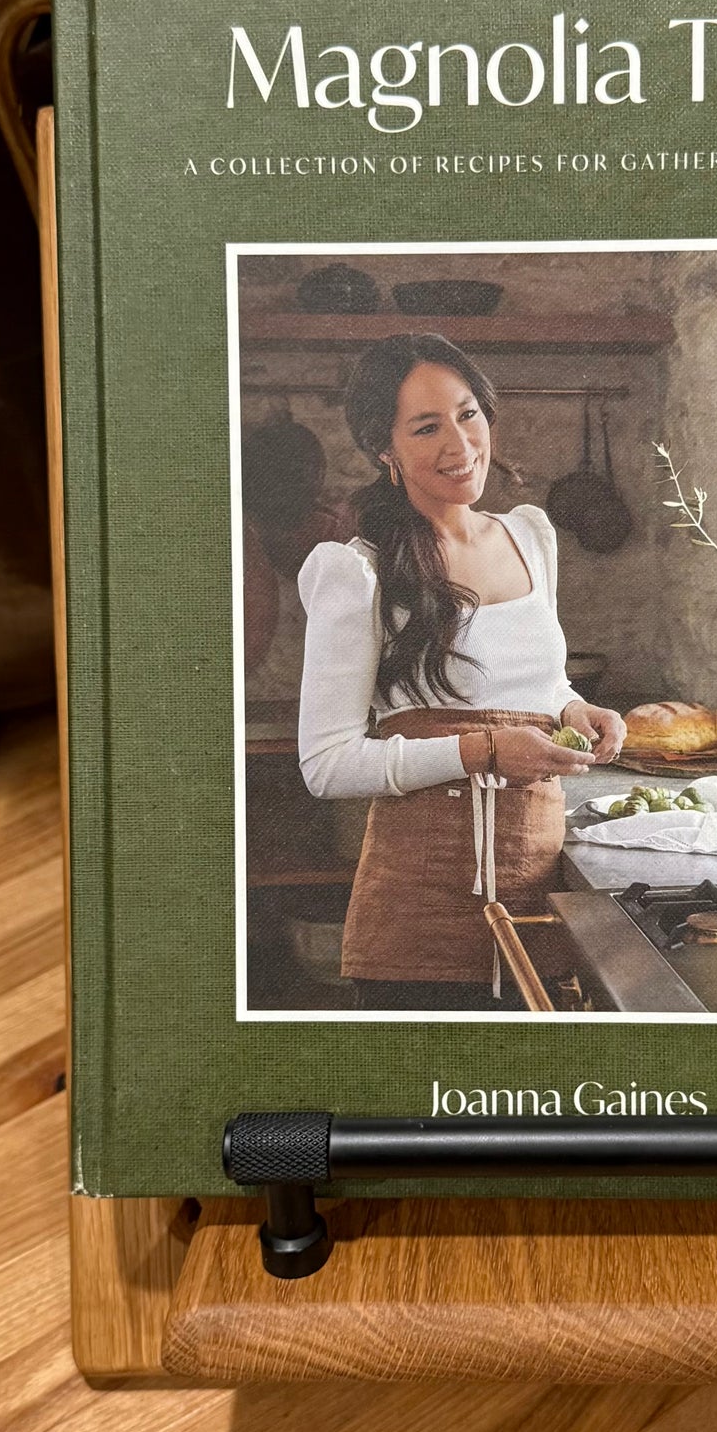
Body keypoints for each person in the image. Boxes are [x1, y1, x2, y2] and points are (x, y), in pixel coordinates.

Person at [295, 332, 625, 1008]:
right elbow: (325, 765)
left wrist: (573, 708)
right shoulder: (358, 570)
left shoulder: (530, 535)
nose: (461, 443)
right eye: (426, 427)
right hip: (416, 923)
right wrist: (485, 750)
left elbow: (537, 681)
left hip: (536, 900)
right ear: (384, 449)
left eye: (468, 413)